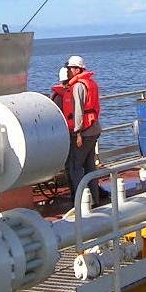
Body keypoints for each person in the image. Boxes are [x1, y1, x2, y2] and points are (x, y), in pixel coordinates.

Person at [62, 55, 103, 205]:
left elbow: (78, 111)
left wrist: (78, 132)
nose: (68, 71)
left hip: (84, 132)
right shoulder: (91, 83)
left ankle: (81, 201)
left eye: (70, 68)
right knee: (90, 165)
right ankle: (95, 199)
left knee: (75, 166)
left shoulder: (78, 86)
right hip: (94, 128)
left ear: (77, 69)